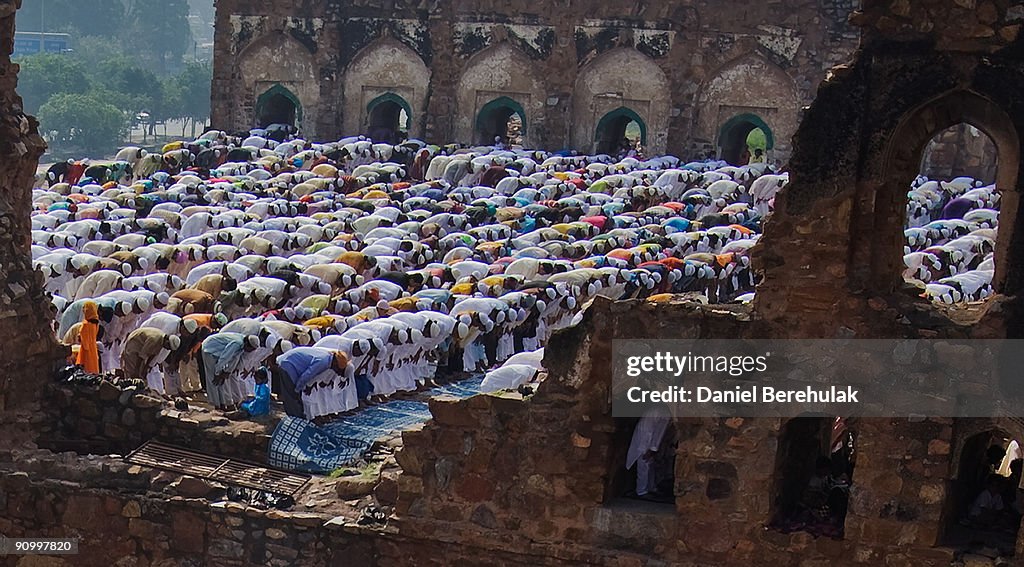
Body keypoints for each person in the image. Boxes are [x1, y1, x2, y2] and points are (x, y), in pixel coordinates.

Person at [626, 407, 671, 499]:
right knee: (645, 465)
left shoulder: (662, 412)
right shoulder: (657, 411)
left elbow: (659, 432)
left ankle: (644, 489)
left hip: (647, 442)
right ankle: (644, 490)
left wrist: (653, 448)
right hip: (644, 441)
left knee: (645, 465)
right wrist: (653, 448)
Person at [76, 300, 101, 373]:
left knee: (86, 369)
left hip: (85, 351)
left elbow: (84, 341)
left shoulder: (86, 324)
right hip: (93, 348)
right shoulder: (96, 324)